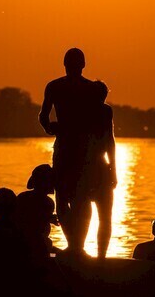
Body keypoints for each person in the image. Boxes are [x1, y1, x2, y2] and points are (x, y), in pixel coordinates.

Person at [38, 48, 98, 255]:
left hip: (83, 150)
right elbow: (43, 115)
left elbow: (99, 122)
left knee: (80, 198)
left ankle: (77, 245)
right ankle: (74, 244)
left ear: (81, 65)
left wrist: (50, 127)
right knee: (65, 196)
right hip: (67, 147)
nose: (72, 67)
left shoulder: (89, 89)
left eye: (75, 63)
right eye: (70, 64)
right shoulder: (55, 87)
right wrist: (50, 128)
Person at [82, 80, 118, 259]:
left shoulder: (105, 111)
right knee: (89, 214)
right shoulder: (84, 110)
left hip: (97, 167)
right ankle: (87, 253)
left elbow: (109, 140)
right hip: (85, 168)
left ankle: (101, 256)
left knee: (104, 216)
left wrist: (113, 169)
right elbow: (109, 141)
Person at [14, 164, 56, 258]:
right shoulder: (48, 202)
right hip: (36, 242)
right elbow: (34, 221)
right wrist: (49, 218)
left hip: (24, 239)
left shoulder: (22, 196)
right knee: (51, 252)